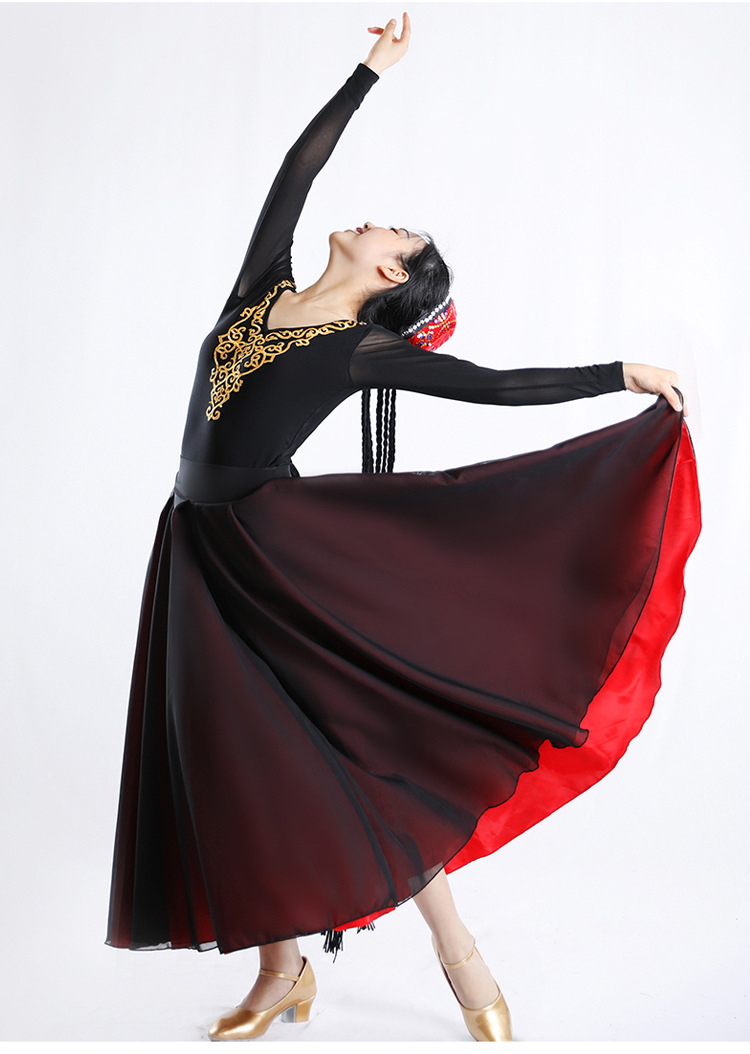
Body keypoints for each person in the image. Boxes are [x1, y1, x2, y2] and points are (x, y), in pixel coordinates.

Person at [105, 12, 702, 1044]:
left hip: (273, 557)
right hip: (196, 549)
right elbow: (296, 169)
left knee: (353, 752)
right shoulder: (260, 289)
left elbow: (493, 384)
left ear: (390, 277)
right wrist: (366, 73)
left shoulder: (358, 351)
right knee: (233, 756)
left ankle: (461, 958)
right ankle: (283, 972)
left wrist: (620, 373)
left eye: (397, 235)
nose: (377, 223)